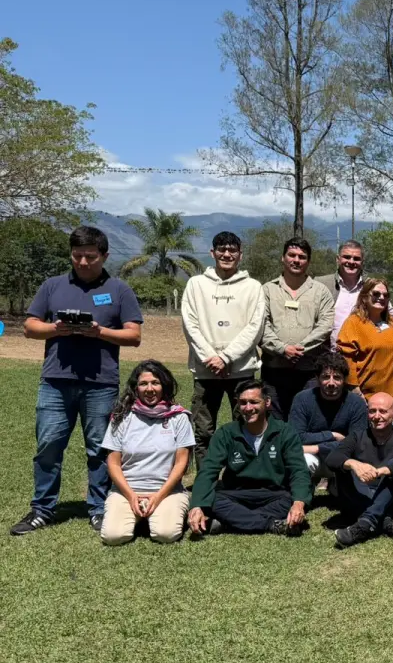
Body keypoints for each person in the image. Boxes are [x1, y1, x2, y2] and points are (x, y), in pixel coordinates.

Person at [11, 226, 144, 536]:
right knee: (49, 446)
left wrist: (99, 332)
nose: (83, 262)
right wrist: (56, 329)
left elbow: (134, 336)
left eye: (90, 257)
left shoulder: (119, 289)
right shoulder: (52, 286)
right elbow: (30, 327)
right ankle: (42, 508)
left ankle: (98, 508)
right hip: (55, 381)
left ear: (105, 255)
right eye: (77, 256)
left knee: (99, 449)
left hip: (101, 384)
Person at [180, 231, 266, 468]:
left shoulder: (253, 287)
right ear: (212, 253)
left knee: (246, 426)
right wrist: (211, 358)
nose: (227, 254)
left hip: (241, 370)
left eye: (232, 250)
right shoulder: (196, 284)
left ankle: (241, 478)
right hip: (205, 370)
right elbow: (190, 324)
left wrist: (227, 357)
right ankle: (206, 480)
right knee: (203, 430)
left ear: (240, 255)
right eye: (221, 249)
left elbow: (255, 327)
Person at [187, 380, 312, 537]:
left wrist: (299, 503)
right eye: (243, 403)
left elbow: (298, 470)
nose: (248, 408)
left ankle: (230, 522)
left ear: (267, 402)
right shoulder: (226, 433)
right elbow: (208, 470)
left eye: (254, 402)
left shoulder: (285, 432)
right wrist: (197, 505)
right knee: (211, 500)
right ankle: (270, 524)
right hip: (236, 493)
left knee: (295, 500)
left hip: (274, 494)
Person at [98, 361, 192, 545]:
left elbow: (181, 463)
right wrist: (131, 496)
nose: (150, 389)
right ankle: (141, 516)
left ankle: (154, 516)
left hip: (167, 491)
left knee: (166, 534)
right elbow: (113, 463)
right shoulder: (121, 416)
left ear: (164, 385)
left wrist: (158, 496)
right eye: (143, 384)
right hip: (127, 491)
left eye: (155, 383)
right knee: (113, 536)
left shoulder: (179, 417)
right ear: (136, 388)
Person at [325, 393, 393, 547]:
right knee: (344, 466)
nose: (377, 416)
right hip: (359, 497)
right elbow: (332, 458)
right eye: (372, 411)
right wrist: (353, 464)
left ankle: (365, 523)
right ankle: (386, 523)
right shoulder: (357, 436)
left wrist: (386, 470)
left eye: (383, 411)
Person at [260, 237, 336, 418]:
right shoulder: (267, 290)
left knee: (307, 418)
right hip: (274, 369)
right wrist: (282, 348)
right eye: (292, 255)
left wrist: (300, 348)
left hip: (309, 370)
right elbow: (261, 324)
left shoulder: (320, 291)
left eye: (302, 257)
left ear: (308, 261)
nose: (296, 260)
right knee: (274, 419)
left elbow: (326, 325)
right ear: (283, 258)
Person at [288, 352, 369, 485]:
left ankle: (338, 487)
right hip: (312, 456)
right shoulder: (302, 399)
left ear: (345, 379)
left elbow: (357, 443)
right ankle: (304, 492)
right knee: (301, 459)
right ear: (317, 378)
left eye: (337, 377)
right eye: (325, 377)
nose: (331, 383)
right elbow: (295, 437)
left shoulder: (356, 403)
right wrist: (332, 435)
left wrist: (317, 447)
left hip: (344, 458)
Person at [337, 278, 393, 410]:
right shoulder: (353, 323)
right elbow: (346, 359)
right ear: (364, 297)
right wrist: (355, 389)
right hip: (363, 399)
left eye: (386, 295)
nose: (381, 297)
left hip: (390, 401)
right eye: (376, 294)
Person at [317, 240, 388, 345]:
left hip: (364, 351)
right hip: (327, 351)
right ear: (338, 259)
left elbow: (389, 316)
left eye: (356, 259)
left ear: (362, 262)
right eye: (347, 257)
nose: (351, 262)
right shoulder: (321, 284)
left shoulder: (373, 286)